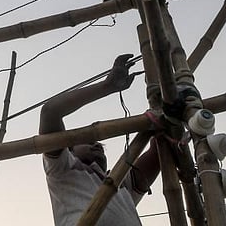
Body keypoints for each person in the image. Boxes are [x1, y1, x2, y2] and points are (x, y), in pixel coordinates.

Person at [40, 54, 160, 226]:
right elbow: (50, 112)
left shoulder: (119, 182)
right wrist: (108, 86)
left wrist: (164, 110)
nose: (96, 144)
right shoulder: (63, 168)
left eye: (99, 145)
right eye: (89, 142)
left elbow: (157, 153)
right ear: (69, 150)